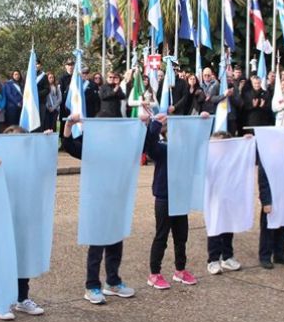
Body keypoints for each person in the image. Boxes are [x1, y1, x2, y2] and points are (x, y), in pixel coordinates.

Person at [62, 114, 135, 304]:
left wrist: (146, 123)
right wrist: (69, 124)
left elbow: (141, 141)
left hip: (117, 198)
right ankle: (92, 286)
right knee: (97, 243)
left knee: (115, 241)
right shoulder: (91, 144)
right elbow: (69, 146)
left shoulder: (121, 143)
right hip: (97, 200)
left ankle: (113, 281)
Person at [142, 112, 205, 290]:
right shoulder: (162, 149)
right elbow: (149, 146)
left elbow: (201, 143)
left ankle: (180, 270)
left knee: (181, 236)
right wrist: (155, 124)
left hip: (181, 197)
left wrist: (203, 121)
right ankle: (154, 274)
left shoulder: (187, 151)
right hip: (164, 198)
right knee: (161, 236)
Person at [0, 125, 49, 319]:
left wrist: (46, 144)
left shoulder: (31, 163)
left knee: (23, 258)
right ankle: (1, 301)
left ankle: (22, 298)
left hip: (25, 217)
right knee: (4, 259)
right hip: (3, 216)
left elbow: (46, 167)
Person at [206, 130, 243, 274]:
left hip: (228, 198)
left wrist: (246, 141)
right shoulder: (208, 158)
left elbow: (243, 155)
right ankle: (213, 260)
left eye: (220, 143)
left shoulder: (231, 159)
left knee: (228, 228)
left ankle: (227, 257)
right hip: (214, 199)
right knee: (215, 228)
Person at [257, 155, 284, 269]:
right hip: (271, 197)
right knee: (268, 228)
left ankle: (279, 253)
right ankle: (265, 256)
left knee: (283, 225)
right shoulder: (266, 154)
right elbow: (263, 180)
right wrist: (266, 201)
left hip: (283, 195)